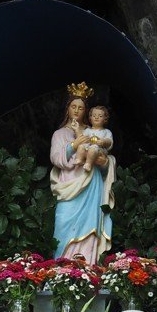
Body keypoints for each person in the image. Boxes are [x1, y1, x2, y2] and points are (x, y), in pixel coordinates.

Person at [50, 84, 116, 264]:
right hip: (69, 184)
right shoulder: (60, 134)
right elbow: (56, 158)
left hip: (91, 183)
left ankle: (88, 267)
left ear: (86, 111)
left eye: (81, 108)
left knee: (90, 228)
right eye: (73, 107)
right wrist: (73, 145)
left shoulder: (93, 132)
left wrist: (103, 161)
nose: (77, 111)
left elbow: (104, 159)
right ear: (68, 109)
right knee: (63, 223)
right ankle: (61, 267)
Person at [74, 104, 113, 172]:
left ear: (105, 119)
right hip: (87, 148)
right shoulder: (87, 130)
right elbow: (81, 138)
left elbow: (109, 141)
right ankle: (79, 159)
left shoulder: (106, 131)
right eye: (94, 115)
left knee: (93, 148)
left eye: (100, 116)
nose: (96, 117)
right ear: (90, 118)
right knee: (81, 146)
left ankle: (88, 164)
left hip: (99, 150)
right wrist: (77, 129)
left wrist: (103, 142)